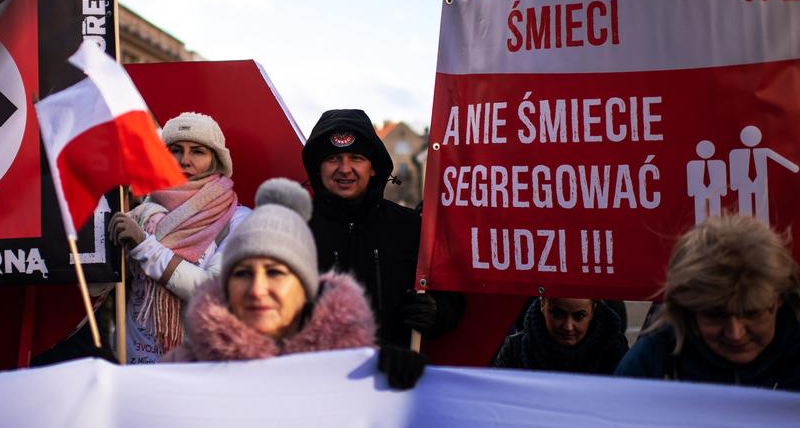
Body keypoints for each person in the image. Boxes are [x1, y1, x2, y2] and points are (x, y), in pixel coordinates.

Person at [166, 178, 427, 389]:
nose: (258, 290)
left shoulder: (359, 367)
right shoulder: (184, 366)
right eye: (243, 273)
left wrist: (399, 386)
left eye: (276, 273)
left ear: (304, 285)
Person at [615, 215, 800, 395]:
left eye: (753, 314)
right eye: (715, 315)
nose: (735, 333)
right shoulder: (650, 367)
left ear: (779, 301)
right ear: (688, 309)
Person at [302, 109, 463, 347]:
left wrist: (435, 314)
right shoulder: (294, 230)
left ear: (373, 167)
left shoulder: (411, 228)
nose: (345, 169)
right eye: (333, 158)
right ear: (318, 167)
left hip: (390, 377)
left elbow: (452, 299)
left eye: (356, 157)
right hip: (312, 377)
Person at [108, 112, 251, 363]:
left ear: (216, 159)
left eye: (198, 151)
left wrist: (144, 246)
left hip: (198, 366)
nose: (185, 160)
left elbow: (216, 291)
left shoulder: (238, 220)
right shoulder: (141, 211)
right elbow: (111, 285)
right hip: (133, 363)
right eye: (175, 150)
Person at [492, 297, 628, 374]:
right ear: (542, 305)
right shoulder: (514, 349)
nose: (568, 327)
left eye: (579, 316)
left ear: (593, 310)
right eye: (557, 314)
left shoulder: (614, 350)